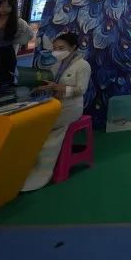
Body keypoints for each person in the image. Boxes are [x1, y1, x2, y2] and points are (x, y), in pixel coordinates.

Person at [22, 33, 91, 192]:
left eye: (61, 48)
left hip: (71, 107)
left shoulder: (83, 65)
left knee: (45, 131)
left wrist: (59, 88)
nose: (57, 52)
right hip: (53, 103)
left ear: (73, 47)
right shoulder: (56, 64)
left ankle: (40, 173)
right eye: (55, 48)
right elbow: (52, 82)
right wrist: (43, 87)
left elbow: (81, 90)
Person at [0, 0, 32, 86]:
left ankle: (7, 90)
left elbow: (29, 35)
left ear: (13, 8)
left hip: (7, 52)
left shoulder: (18, 22)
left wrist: (15, 41)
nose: (3, 9)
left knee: (7, 76)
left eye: (7, 6)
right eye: (1, 6)